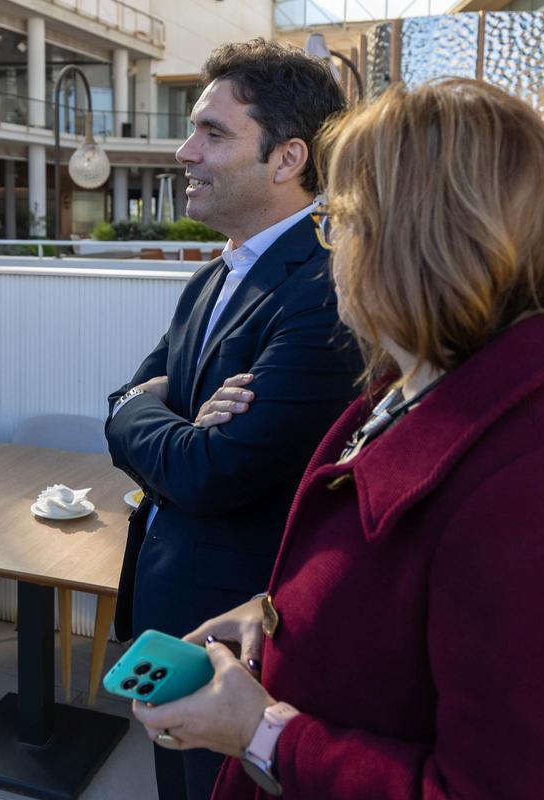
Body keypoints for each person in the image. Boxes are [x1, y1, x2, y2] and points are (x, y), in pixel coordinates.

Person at [131, 79, 544, 799]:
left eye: (340, 221)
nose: (332, 249)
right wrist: (276, 613)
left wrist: (260, 731)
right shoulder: (413, 387)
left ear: (411, 240)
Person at [104, 39, 361, 800]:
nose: (186, 151)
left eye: (213, 133)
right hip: (177, 616)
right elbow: (126, 402)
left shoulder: (325, 289)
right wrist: (151, 411)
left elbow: (214, 472)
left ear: (287, 158)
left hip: (248, 647)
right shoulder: (217, 272)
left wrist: (147, 414)